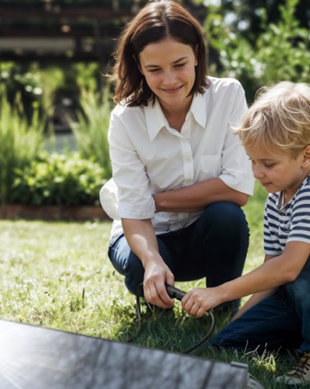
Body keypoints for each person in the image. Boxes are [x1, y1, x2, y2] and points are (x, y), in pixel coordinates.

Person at [180, 82, 310, 385]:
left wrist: (219, 293)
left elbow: (287, 269)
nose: (256, 172)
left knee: (304, 271)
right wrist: (236, 323)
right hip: (302, 292)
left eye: (267, 163)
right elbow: (270, 272)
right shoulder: (277, 196)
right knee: (229, 341)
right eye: (252, 161)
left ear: (306, 156)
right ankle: (303, 332)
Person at [102, 0, 254, 312]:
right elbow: (133, 213)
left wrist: (153, 201)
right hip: (146, 236)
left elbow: (238, 189)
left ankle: (222, 303)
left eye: (179, 65)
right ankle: (156, 290)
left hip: (204, 234)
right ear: (138, 64)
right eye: (155, 69)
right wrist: (152, 260)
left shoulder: (228, 96)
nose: (169, 81)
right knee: (138, 265)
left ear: (197, 53)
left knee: (227, 216)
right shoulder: (125, 119)